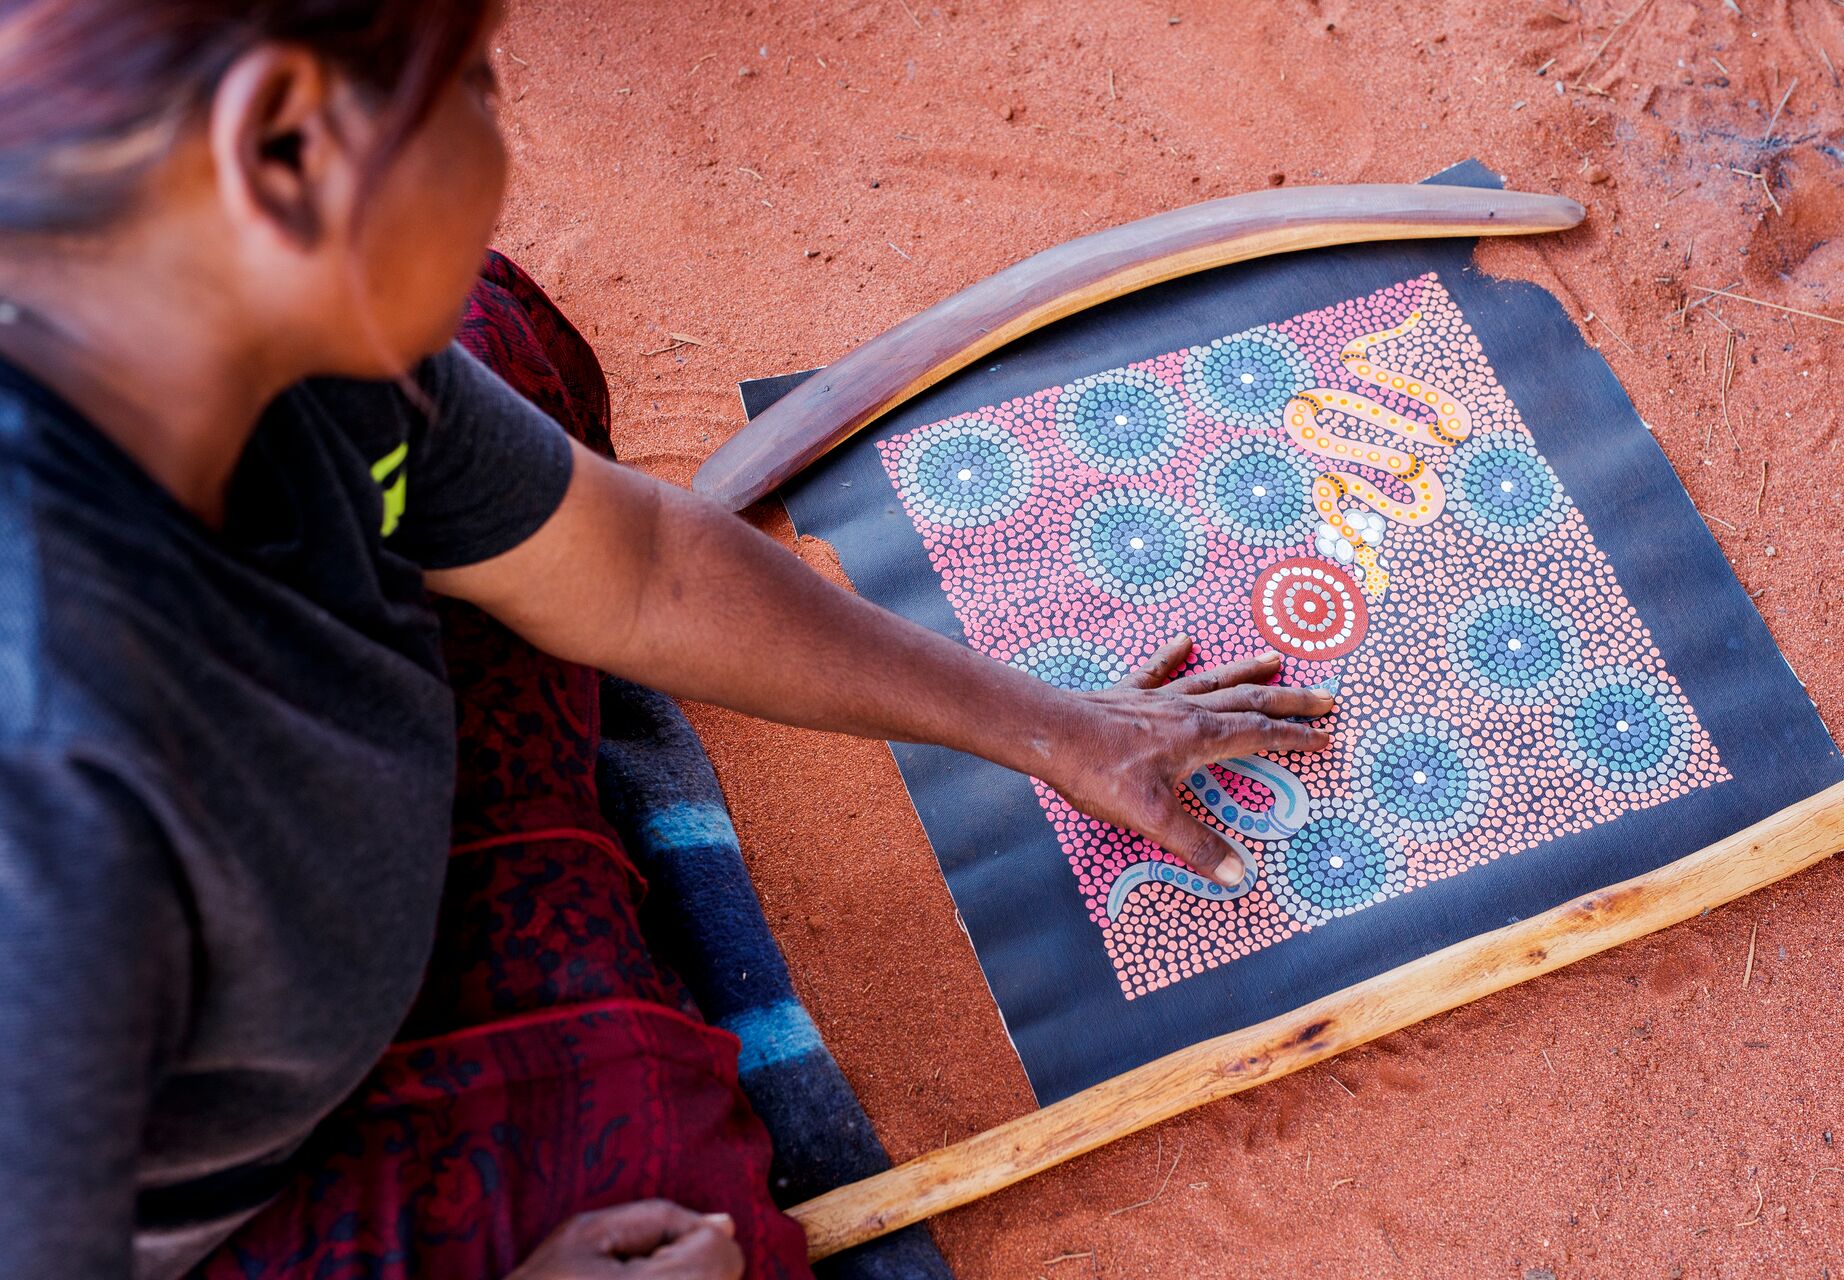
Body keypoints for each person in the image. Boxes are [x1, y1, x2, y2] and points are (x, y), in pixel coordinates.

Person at [0, 2, 1335, 1278]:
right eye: (473, 83)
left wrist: (1055, 725)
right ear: (280, 144)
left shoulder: (227, 317)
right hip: (179, 1204)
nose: (497, 153)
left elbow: (634, 564)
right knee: (682, 1221)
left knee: (477, 332)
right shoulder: (57, 805)